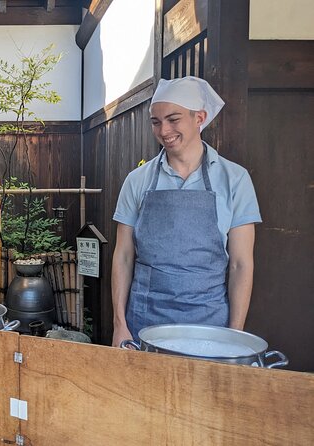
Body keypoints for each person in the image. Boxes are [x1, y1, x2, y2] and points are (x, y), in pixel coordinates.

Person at [111, 76, 261, 347]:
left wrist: (234, 336)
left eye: (173, 119)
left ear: (199, 117)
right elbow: (123, 256)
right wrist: (120, 324)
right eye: (156, 122)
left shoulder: (235, 179)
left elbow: (241, 264)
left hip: (209, 324)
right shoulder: (137, 180)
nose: (163, 130)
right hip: (144, 321)